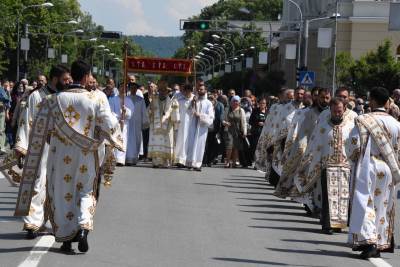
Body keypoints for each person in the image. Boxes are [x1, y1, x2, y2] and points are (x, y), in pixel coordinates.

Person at [15, 60, 123, 253]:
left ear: (73, 76)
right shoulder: (95, 99)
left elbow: (39, 130)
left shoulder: (52, 100)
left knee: (63, 196)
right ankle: (83, 228)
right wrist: (116, 138)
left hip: (59, 157)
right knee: (85, 192)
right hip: (86, 156)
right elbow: (110, 125)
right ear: (85, 76)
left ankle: (66, 240)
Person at [15, 65, 71, 239]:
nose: (68, 82)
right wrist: (21, 147)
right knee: (37, 183)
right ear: (55, 79)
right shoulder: (36, 96)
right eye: (65, 79)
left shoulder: (64, 98)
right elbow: (26, 120)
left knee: (56, 185)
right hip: (39, 147)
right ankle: (32, 223)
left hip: (60, 148)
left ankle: (49, 222)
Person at [348, 87, 400, 259]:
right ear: (387, 102)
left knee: (365, 204)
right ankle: (378, 242)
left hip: (368, 166)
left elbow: (354, 145)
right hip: (388, 169)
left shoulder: (363, 119)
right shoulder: (396, 124)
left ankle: (369, 242)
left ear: (372, 101)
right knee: (382, 205)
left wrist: (352, 159)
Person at [295, 98, 357, 234]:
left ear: (344, 109)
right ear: (330, 110)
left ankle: (339, 224)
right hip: (327, 166)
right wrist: (309, 162)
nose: (337, 113)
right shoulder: (322, 125)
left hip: (345, 166)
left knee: (343, 197)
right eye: (334, 111)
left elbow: (355, 145)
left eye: (339, 111)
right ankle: (327, 224)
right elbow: (313, 145)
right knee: (328, 196)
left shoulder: (350, 126)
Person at [177, 81, 214, 171]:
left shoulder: (208, 103)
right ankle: (189, 162)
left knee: (200, 146)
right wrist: (193, 103)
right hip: (193, 126)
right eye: (198, 89)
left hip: (202, 128)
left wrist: (200, 115)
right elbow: (189, 111)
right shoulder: (195, 100)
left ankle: (198, 164)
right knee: (191, 144)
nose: (200, 90)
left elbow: (211, 117)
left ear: (205, 90)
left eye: (202, 89)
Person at [147, 80, 179, 168]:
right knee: (156, 142)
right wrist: (150, 111)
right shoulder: (154, 100)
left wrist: (174, 110)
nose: (162, 92)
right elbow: (148, 112)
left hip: (167, 127)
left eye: (164, 90)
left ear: (167, 91)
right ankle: (156, 162)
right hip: (156, 126)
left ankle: (166, 162)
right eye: (160, 90)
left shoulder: (172, 102)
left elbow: (175, 117)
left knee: (167, 142)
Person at [108, 84, 134, 166]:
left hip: (125, 124)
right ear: (118, 88)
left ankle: (121, 159)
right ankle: (114, 158)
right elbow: (110, 111)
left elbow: (131, 113)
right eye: (121, 87)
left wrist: (125, 111)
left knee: (123, 139)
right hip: (115, 123)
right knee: (115, 139)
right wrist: (117, 118)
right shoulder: (113, 100)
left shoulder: (129, 100)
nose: (123, 89)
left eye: (125, 88)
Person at [126, 82, 149, 165]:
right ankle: (127, 157)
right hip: (128, 122)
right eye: (131, 88)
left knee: (137, 139)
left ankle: (135, 157)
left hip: (137, 123)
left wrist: (145, 122)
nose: (133, 89)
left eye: (135, 88)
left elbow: (144, 112)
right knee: (128, 139)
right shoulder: (126, 98)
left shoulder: (141, 99)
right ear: (129, 89)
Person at [223, 96, 247, 168]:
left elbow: (244, 121)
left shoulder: (241, 110)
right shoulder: (227, 109)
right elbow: (223, 120)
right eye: (234, 101)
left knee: (236, 147)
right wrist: (225, 123)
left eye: (237, 101)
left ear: (239, 102)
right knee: (229, 147)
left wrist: (244, 132)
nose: (235, 102)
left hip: (238, 131)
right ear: (231, 102)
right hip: (229, 130)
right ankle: (227, 162)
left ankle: (234, 162)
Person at [174, 84, 195, 167]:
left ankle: (188, 160)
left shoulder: (194, 99)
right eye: (185, 91)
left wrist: (193, 103)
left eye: (188, 91)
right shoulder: (179, 100)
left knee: (189, 141)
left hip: (191, 124)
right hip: (181, 124)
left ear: (191, 91)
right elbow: (175, 111)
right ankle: (179, 159)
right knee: (180, 141)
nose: (187, 93)